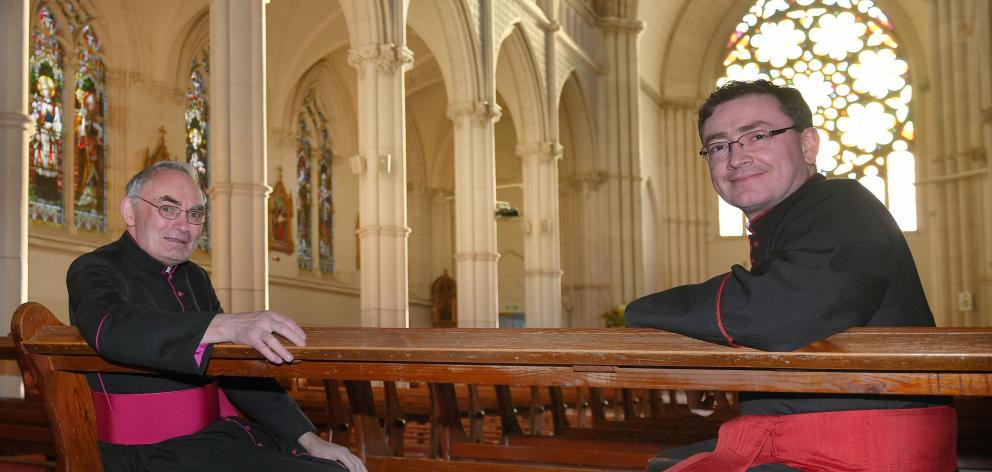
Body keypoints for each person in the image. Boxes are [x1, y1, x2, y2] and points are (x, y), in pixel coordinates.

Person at [625, 80, 956, 471]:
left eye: (758, 135)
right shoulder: (791, 222)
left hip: (865, 450)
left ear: (808, 144)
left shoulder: (846, 207)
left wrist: (641, 311)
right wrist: (710, 364)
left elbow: (774, 311)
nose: (736, 158)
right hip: (810, 437)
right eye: (718, 146)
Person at [67, 161, 367, 472]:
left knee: (334, 466)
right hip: (147, 454)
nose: (184, 226)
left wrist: (309, 438)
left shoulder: (195, 278)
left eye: (195, 214)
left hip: (212, 438)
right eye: (168, 209)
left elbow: (234, 371)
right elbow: (111, 328)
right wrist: (224, 325)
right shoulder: (95, 268)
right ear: (130, 212)